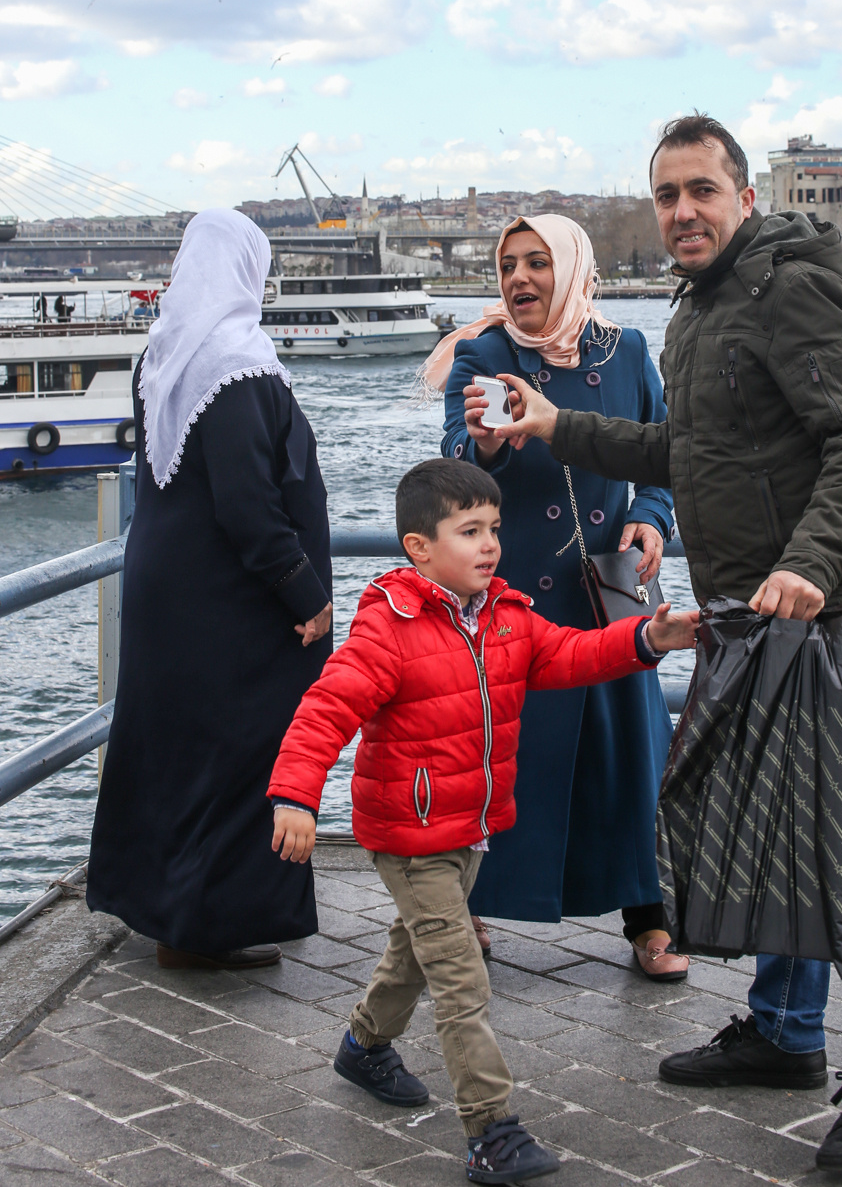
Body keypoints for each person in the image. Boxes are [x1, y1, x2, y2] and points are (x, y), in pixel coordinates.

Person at [491, 115, 842, 1173]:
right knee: (778, 827)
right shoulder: (701, 305)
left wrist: (814, 565)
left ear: (742, 195)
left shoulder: (788, 283)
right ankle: (785, 1033)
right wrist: (552, 425)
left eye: (699, 190)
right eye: (665, 195)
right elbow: (680, 449)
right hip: (746, 612)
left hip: (826, 614)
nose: (681, 211)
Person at [268, 457, 698, 1185]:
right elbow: (325, 711)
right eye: (470, 531)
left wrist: (648, 639)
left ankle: (364, 1047)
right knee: (460, 980)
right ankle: (491, 1130)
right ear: (420, 548)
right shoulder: (389, 628)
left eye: (494, 528)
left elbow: (571, 653)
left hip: (471, 828)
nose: (491, 543)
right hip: (408, 835)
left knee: (414, 950)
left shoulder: (506, 615)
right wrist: (295, 797)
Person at [420, 214, 684, 981]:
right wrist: (487, 449)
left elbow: (665, 457)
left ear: (571, 267)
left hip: (606, 589)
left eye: (538, 263)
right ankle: (467, 902)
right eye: (508, 264)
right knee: (492, 758)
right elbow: (450, 466)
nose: (521, 279)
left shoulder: (625, 350)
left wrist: (649, 517)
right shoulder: (486, 352)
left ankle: (650, 913)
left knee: (629, 756)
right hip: (509, 592)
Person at [87, 208, 333, 968]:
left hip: (168, 585)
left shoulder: (163, 355)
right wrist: (306, 594)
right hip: (228, 601)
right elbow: (248, 507)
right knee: (238, 752)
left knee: (171, 744)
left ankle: (164, 908)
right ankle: (204, 927)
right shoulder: (233, 365)